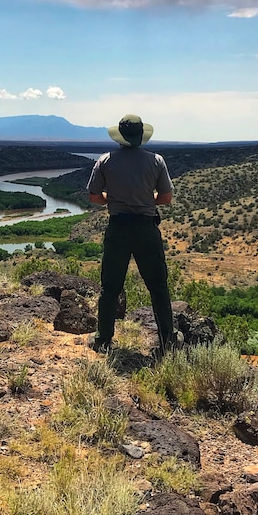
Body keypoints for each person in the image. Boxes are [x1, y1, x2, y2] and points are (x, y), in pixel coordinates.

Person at [86, 114, 175, 358]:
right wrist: (146, 201)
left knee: (110, 287)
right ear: (141, 135)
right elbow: (166, 198)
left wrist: (114, 200)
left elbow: (94, 197)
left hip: (118, 228)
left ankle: (103, 340)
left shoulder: (105, 161)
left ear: (121, 136)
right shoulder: (156, 161)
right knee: (158, 287)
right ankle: (168, 340)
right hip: (146, 229)